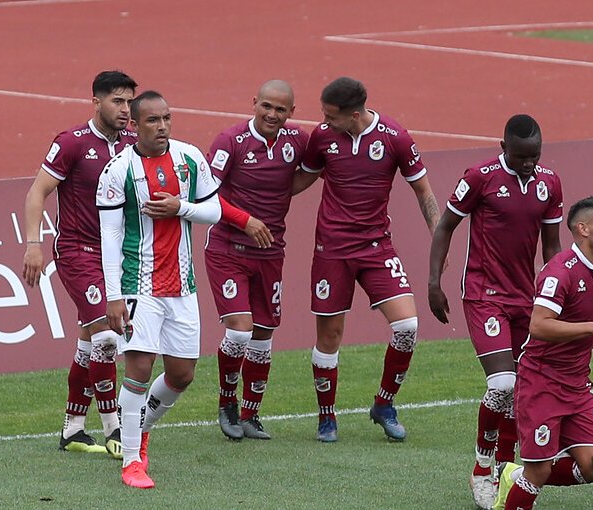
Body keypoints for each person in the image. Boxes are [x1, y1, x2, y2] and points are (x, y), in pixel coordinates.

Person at [292, 76, 441, 442]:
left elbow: (424, 191)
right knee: (330, 337)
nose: (324, 122)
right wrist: (253, 198)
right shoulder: (322, 138)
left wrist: (440, 241)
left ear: (354, 114)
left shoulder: (395, 138)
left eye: (330, 116)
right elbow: (299, 182)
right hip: (332, 251)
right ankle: (327, 417)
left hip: (376, 248)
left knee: (407, 327)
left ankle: (384, 404)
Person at [428, 114, 563, 509]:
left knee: (520, 389)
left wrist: (556, 296)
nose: (528, 163)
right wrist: (434, 282)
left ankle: (506, 467)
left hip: (528, 299)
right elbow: (445, 226)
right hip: (484, 293)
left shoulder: (549, 183)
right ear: (503, 148)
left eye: (534, 156)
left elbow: (551, 247)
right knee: (502, 385)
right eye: (521, 156)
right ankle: (481, 469)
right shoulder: (480, 177)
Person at [97, 90, 222, 489]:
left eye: (167, 118)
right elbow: (111, 236)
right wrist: (113, 295)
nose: (163, 126)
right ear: (134, 125)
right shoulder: (117, 171)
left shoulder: (189, 158)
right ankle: (131, 460)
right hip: (138, 286)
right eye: (153, 120)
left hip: (182, 287)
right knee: (138, 368)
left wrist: (180, 208)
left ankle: (141, 428)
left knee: (182, 375)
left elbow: (215, 211)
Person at [22, 70, 137, 458]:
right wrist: (33, 244)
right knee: (106, 333)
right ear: (97, 102)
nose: (125, 109)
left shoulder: (134, 144)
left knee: (90, 343)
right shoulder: (72, 142)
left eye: (128, 102)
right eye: (117, 101)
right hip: (78, 252)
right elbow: (37, 191)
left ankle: (72, 428)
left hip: (118, 257)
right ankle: (113, 425)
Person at [492, 196, 593, 510]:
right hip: (541, 383)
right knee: (539, 471)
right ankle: (521, 479)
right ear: (583, 229)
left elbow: (582, 318)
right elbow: (538, 325)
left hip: (576, 385)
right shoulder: (560, 271)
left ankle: (513, 474)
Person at [206, 80, 309, 441]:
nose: (272, 114)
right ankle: (226, 404)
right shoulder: (230, 141)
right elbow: (205, 197)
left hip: (271, 253)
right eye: (266, 106)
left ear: (291, 113)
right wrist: (245, 220)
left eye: (281, 109)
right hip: (227, 250)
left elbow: (315, 168)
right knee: (239, 329)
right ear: (254, 103)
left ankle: (251, 415)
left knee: (263, 335)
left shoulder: (298, 142)